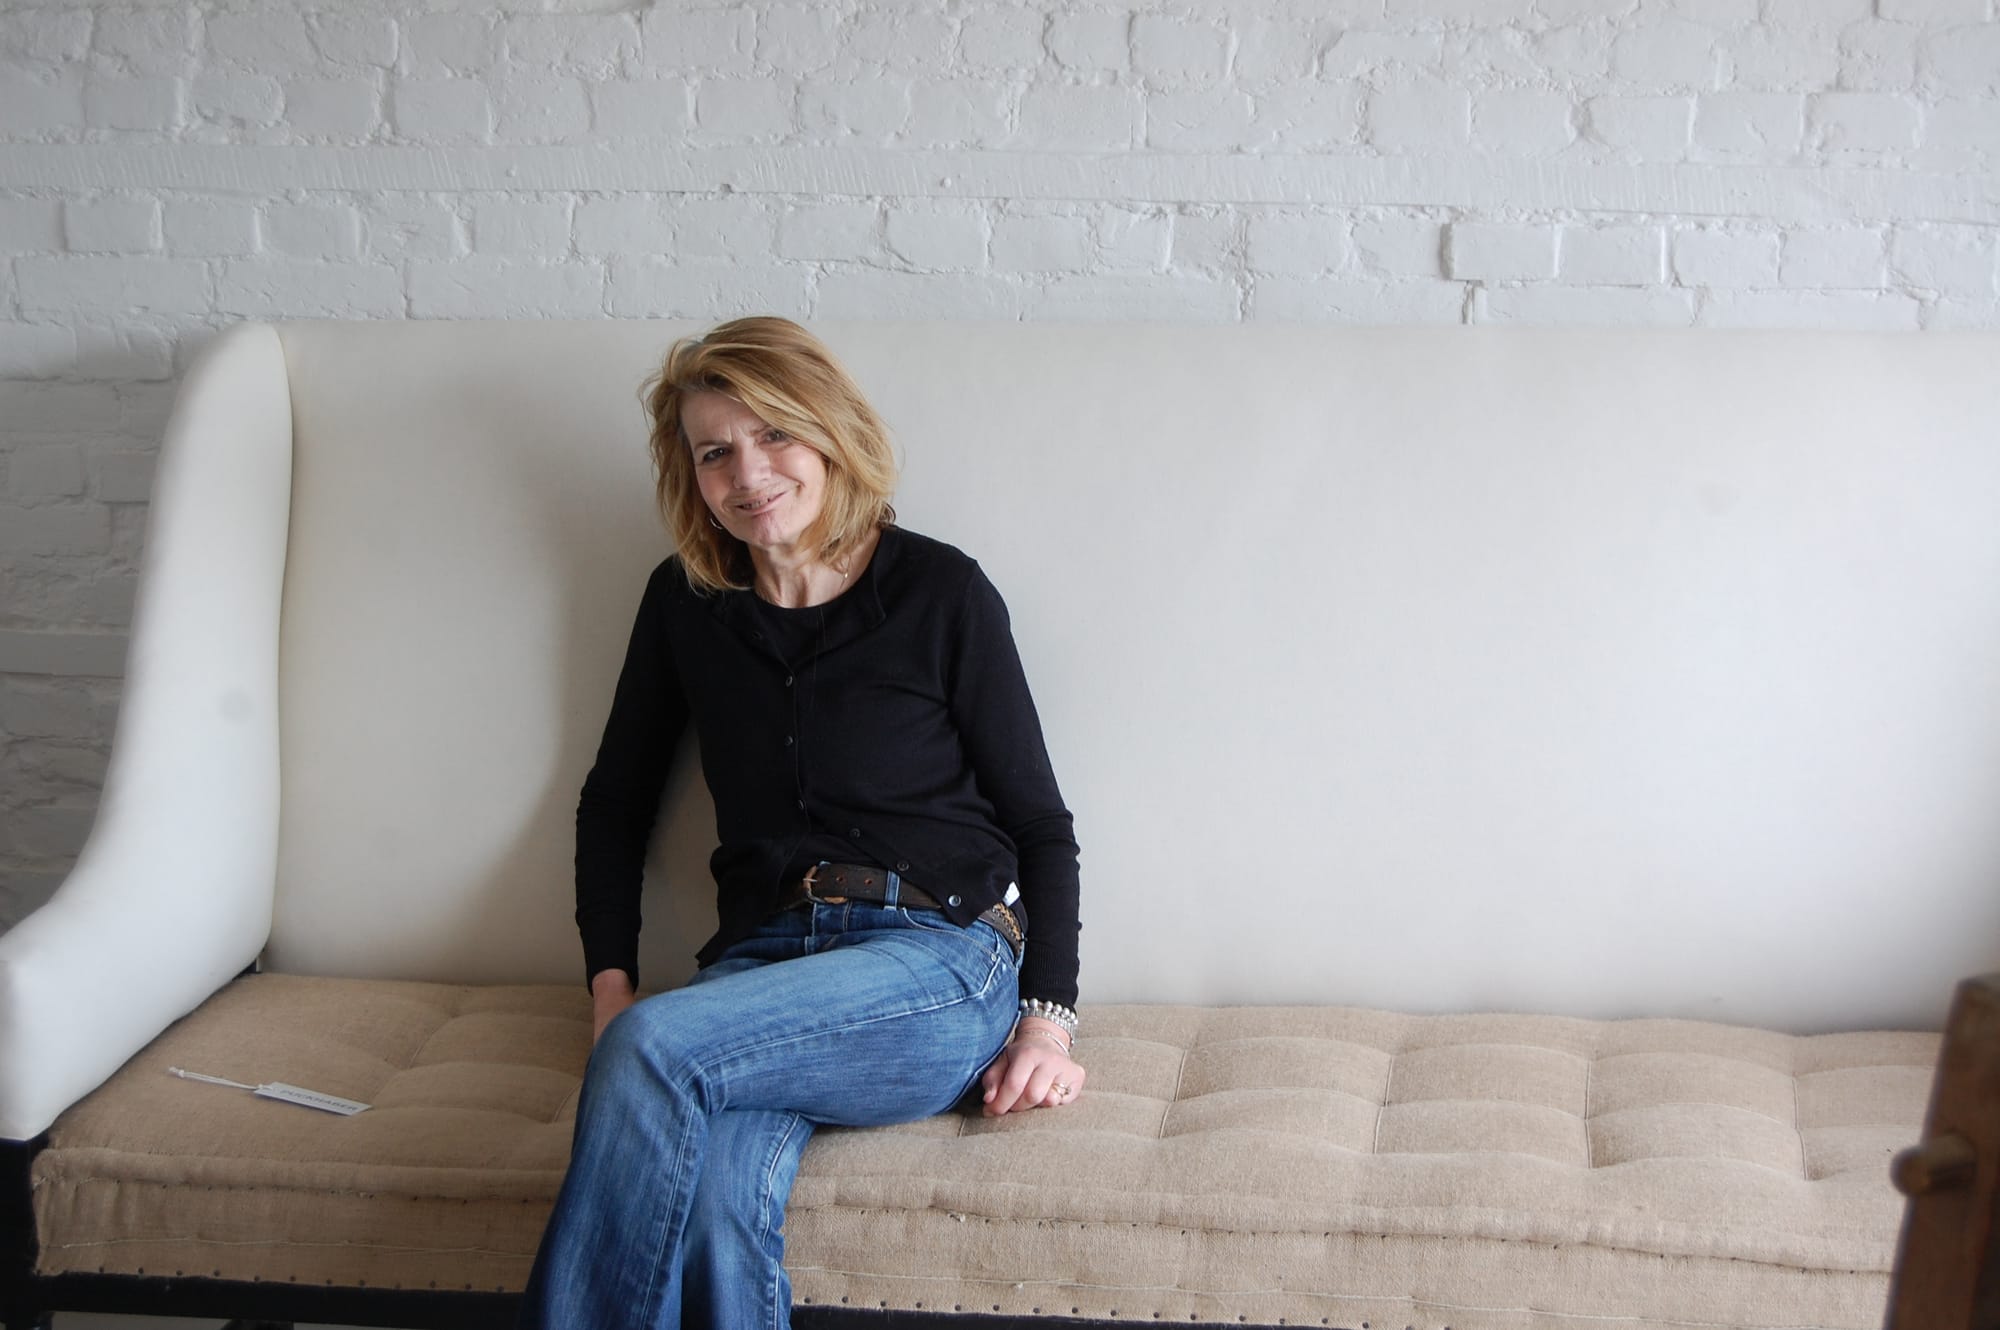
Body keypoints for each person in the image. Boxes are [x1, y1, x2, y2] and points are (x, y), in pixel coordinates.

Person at [519, 316, 1084, 1330]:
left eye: (774, 434)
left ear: (829, 436)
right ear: (690, 475)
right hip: (761, 967)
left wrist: (1047, 1018)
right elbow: (614, 803)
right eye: (714, 452)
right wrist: (610, 990)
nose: (749, 473)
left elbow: (1040, 824)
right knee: (710, 1203)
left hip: (935, 960)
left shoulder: (939, 591)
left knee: (653, 1050)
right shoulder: (685, 604)